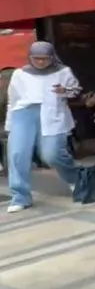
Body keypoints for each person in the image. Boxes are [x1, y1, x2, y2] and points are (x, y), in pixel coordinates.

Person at [4, 42, 82, 213]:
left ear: (52, 57)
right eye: (36, 58)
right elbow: (13, 100)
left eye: (45, 59)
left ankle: (76, 178)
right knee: (17, 154)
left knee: (51, 154)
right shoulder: (20, 74)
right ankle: (20, 196)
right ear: (30, 58)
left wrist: (64, 91)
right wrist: (10, 125)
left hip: (52, 113)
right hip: (23, 114)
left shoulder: (63, 71)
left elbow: (76, 91)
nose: (40, 62)